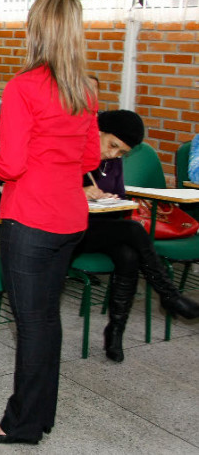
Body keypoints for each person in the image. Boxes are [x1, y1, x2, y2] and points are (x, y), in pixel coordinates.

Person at [0, 0, 100, 445]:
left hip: (29, 218)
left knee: (31, 325)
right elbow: (90, 155)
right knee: (48, 320)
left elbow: (11, 164)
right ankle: (42, 414)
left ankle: (22, 423)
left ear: (37, 30)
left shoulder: (23, 86)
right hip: (70, 218)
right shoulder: (85, 88)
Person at [78, 110, 199, 362]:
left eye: (121, 152)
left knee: (129, 254)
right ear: (97, 132)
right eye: (112, 145)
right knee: (133, 231)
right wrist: (82, 194)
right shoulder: (71, 151)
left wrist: (111, 200)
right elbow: (51, 196)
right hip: (70, 231)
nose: (113, 154)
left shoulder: (112, 162)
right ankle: (169, 295)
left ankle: (115, 333)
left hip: (102, 229)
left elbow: (119, 201)